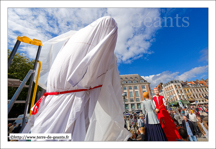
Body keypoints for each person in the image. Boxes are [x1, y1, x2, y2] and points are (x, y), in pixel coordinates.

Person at [22, 16, 131, 141]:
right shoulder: (82, 56)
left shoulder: (69, 45)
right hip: (70, 102)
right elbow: (109, 23)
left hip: (53, 102)